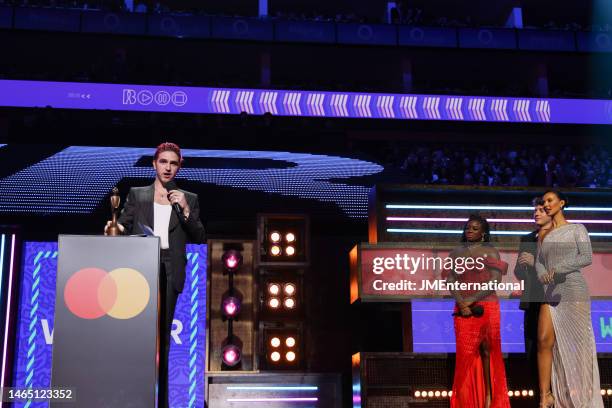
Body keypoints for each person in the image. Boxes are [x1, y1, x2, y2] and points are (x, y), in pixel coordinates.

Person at [105, 142, 206, 408]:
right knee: (137, 335)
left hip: (171, 268)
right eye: (164, 162)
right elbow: (123, 228)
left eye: (173, 163)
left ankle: (159, 401)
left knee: (161, 337)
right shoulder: (138, 195)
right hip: (141, 266)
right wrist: (112, 228)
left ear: (179, 167)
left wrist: (184, 208)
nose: (168, 168)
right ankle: (129, 395)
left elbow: (198, 236)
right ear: (154, 164)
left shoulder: (189, 198)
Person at [536, 191, 603, 408]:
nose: (546, 205)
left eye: (549, 201)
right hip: (551, 291)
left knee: (579, 345)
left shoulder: (577, 228)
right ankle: (545, 395)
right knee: (544, 339)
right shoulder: (544, 233)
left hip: (574, 290)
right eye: (543, 202)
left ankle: (583, 398)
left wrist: (557, 269)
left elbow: (586, 257)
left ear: (561, 203)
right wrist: (542, 274)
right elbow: (538, 262)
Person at [445, 214, 510, 408]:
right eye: (467, 228)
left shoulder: (490, 251)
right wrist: (462, 302)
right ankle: (466, 402)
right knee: (465, 356)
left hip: (487, 307)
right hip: (463, 309)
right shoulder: (456, 252)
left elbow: (495, 281)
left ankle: (490, 399)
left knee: (488, 352)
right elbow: (450, 280)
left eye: (474, 229)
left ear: (483, 233)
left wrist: (471, 300)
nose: (470, 231)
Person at [513, 197, 552, 392]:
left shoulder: (559, 238)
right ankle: (539, 396)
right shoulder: (527, 239)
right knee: (531, 353)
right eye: (534, 210)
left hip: (553, 302)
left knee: (551, 351)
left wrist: (535, 261)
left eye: (541, 210)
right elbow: (518, 273)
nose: (536, 213)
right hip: (532, 301)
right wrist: (522, 266)